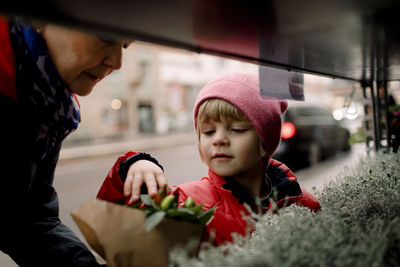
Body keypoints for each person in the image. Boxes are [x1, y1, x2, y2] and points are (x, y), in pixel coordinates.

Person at [0, 16, 167, 266]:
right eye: (106, 37)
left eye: (124, 46)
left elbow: (27, 217)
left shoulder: (49, 108)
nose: (118, 63)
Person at [97, 73, 320, 246]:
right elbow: (115, 225)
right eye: (208, 131)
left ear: (265, 140)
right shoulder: (187, 202)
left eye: (236, 129)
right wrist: (133, 165)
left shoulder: (301, 204)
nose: (219, 140)